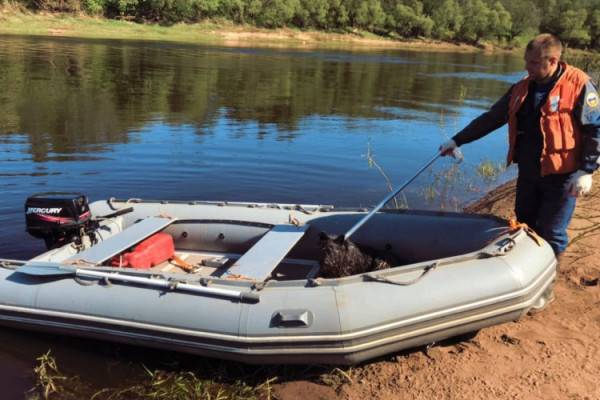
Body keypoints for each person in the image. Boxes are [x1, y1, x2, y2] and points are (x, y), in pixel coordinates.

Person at [440, 33, 600, 256]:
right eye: (526, 61)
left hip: (563, 176)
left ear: (552, 61)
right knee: (524, 227)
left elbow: (595, 129)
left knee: (552, 233)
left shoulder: (579, 84)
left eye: (534, 63)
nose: (527, 67)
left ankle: (547, 283)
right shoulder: (521, 88)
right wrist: (457, 140)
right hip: (528, 172)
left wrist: (587, 170)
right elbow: (492, 118)